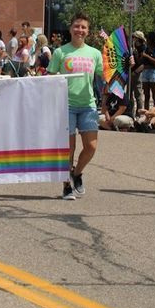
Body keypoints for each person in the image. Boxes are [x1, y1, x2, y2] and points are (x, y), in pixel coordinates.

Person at [47, 12, 102, 200]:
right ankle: (66, 186)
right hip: (66, 105)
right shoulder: (60, 52)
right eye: (77, 26)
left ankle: (77, 173)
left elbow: (104, 76)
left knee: (91, 147)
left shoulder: (95, 53)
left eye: (83, 27)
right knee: (68, 149)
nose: (80, 30)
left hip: (88, 105)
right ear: (70, 29)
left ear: (88, 31)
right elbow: (50, 78)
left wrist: (126, 65)